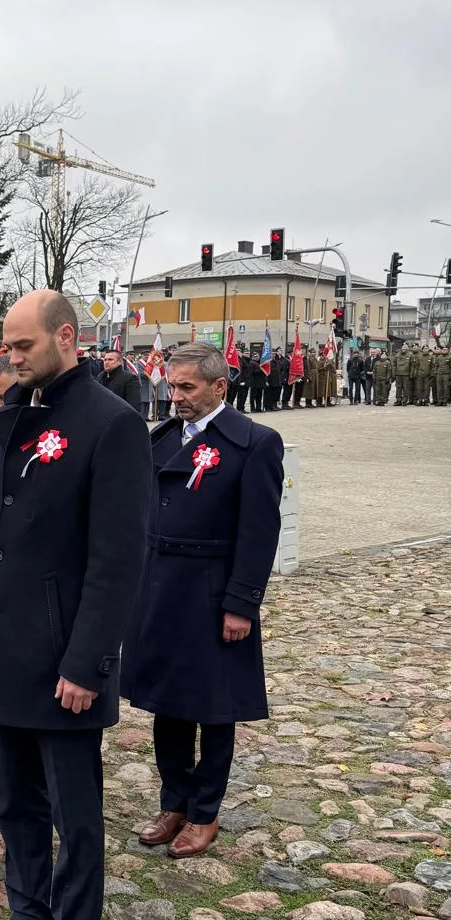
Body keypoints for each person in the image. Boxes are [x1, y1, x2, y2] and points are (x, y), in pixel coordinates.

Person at [0, 291, 152, 920]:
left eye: (24, 345)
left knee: (75, 813)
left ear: (67, 336)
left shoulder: (113, 426)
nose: (11, 357)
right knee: (17, 804)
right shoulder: (10, 419)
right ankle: (29, 919)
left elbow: (117, 561)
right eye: (7, 345)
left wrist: (88, 661)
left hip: (63, 658)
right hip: (2, 650)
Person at [122, 343, 284, 858]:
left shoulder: (255, 443)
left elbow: (259, 533)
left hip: (212, 592)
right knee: (166, 703)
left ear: (219, 386)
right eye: (172, 386)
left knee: (214, 708)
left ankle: (205, 811)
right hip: (160, 588)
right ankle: (175, 800)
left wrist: (242, 603)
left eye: (187, 388)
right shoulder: (164, 438)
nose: (176, 397)